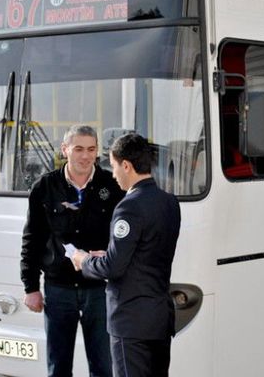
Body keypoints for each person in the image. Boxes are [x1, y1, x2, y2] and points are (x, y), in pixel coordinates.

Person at [72, 133, 181, 377]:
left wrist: (85, 261)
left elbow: (113, 268)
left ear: (126, 166)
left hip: (131, 323)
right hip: (159, 318)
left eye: (112, 167)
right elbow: (146, 253)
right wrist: (108, 254)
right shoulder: (169, 202)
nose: (112, 174)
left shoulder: (129, 206)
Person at [20, 124, 125, 377]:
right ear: (65, 150)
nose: (86, 156)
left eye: (91, 149)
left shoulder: (111, 185)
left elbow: (124, 236)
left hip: (99, 290)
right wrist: (31, 287)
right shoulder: (44, 187)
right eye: (78, 149)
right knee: (58, 366)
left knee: (103, 366)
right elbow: (31, 239)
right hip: (58, 291)